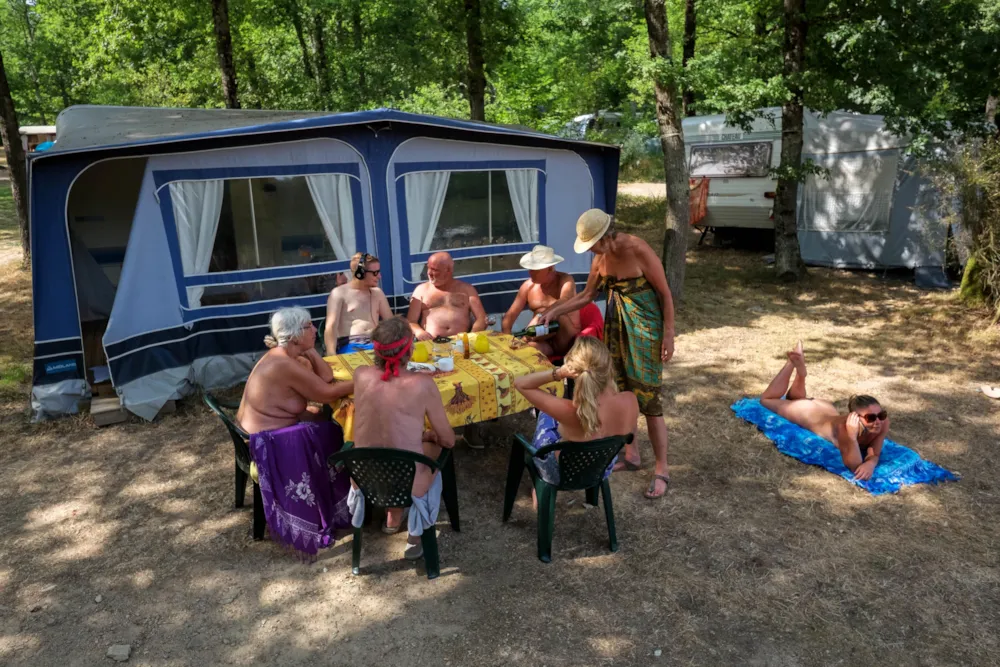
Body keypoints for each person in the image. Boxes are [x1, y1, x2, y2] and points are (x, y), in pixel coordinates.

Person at [539, 209, 675, 499]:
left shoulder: (637, 249)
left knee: (648, 397)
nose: (590, 250)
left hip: (646, 327)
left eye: (592, 244)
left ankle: (662, 468)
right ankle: (632, 454)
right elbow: (587, 295)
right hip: (618, 325)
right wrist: (554, 310)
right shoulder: (600, 259)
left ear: (605, 237)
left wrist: (669, 333)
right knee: (619, 387)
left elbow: (665, 293)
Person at [351, 316, 457, 559]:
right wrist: (430, 437)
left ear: (375, 349)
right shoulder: (422, 384)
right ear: (409, 350)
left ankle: (393, 517)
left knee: (404, 447)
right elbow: (449, 440)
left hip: (364, 474)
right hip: (406, 478)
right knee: (436, 450)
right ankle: (416, 535)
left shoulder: (360, 374)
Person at [513, 336, 638, 503]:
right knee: (560, 420)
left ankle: (539, 486)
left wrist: (558, 373)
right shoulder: (630, 400)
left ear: (574, 371)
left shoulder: (570, 411)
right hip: (601, 469)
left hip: (560, 474)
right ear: (609, 366)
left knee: (546, 414)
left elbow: (520, 383)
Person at [760, 341, 889, 480]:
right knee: (766, 399)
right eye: (871, 418)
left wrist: (870, 463)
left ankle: (801, 374)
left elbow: (874, 452)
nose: (878, 421)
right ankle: (791, 363)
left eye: (881, 415)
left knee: (794, 398)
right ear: (855, 417)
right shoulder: (846, 428)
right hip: (807, 412)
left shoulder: (883, 422)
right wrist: (852, 438)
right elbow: (854, 466)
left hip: (825, 408)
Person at [237, 307, 354, 434]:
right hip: (267, 438)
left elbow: (327, 377)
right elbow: (327, 394)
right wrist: (361, 380)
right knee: (337, 431)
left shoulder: (282, 354)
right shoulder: (284, 364)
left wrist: (310, 350)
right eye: (309, 326)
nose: (315, 330)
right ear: (294, 336)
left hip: (265, 430)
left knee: (318, 413)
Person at [501, 245, 581, 358]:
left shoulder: (565, 280)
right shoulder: (528, 286)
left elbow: (565, 300)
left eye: (535, 270)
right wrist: (507, 340)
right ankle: (522, 344)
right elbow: (509, 317)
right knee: (524, 350)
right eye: (530, 269)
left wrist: (540, 316)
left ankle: (525, 339)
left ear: (550, 268)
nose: (530, 273)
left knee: (557, 313)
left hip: (566, 338)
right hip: (541, 338)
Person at [407, 251, 488, 340]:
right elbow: (411, 322)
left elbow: (482, 318)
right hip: (432, 342)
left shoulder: (467, 289)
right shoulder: (421, 290)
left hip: (462, 342)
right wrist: (419, 332)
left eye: (434, 270)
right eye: (428, 268)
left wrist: (472, 336)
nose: (429, 273)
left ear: (448, 270)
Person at [324, 252, 393, 354]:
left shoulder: (378, 293)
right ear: (360, 273)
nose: (379, 276)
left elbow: (391, 323)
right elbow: (331, 327)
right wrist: (331, 354)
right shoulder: (339, 293)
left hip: (376, 343)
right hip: (351, 345)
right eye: (375, 273)